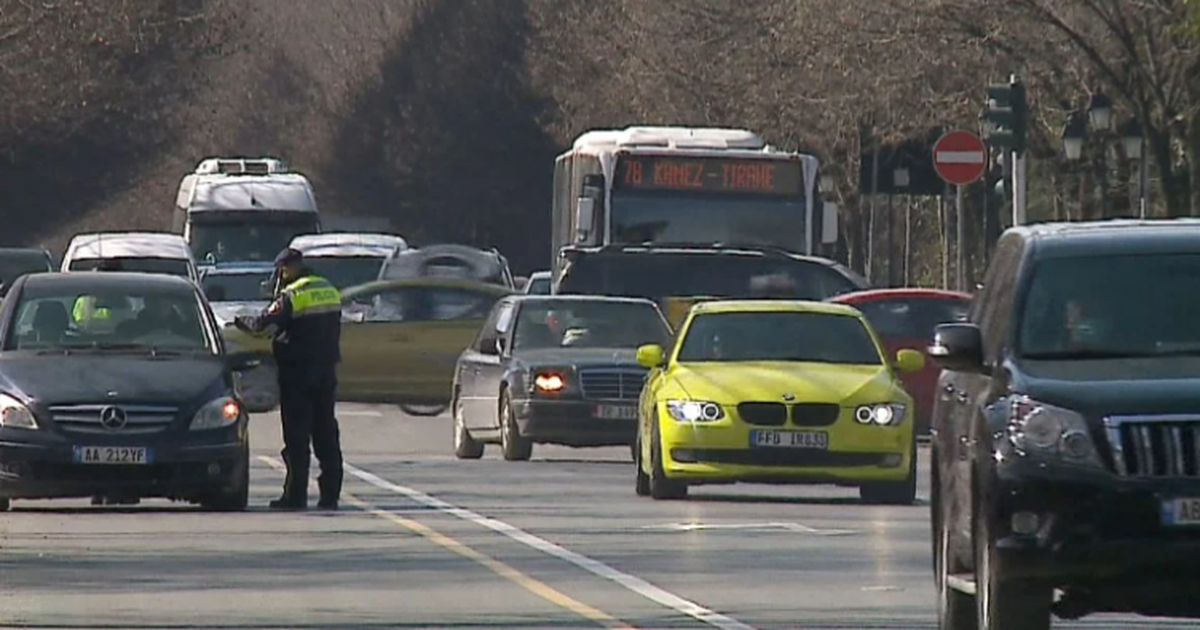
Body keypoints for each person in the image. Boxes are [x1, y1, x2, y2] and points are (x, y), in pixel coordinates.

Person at [234, 248, 344, 511]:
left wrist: (240, 321)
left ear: (286, 268)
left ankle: (295, 496)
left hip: (298, 372)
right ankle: (330, 496)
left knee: (297, 437)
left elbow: (262, 324)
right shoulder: (328, 288)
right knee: (326, 434)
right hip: (326, 370)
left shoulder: (293, 294)